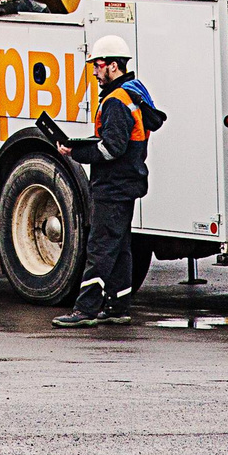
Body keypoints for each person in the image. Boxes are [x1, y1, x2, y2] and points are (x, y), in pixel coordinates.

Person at [51, 33, 164, 328]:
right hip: (126, 184)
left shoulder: (115, 101)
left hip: (113, 187)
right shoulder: (132, 93)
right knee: (120, 246)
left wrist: (76, 152)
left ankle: (85, 309)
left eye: (98, 65)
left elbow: (111, 148)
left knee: (100, 247)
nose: (94, 71)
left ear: (113, 66)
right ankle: (117, 305)